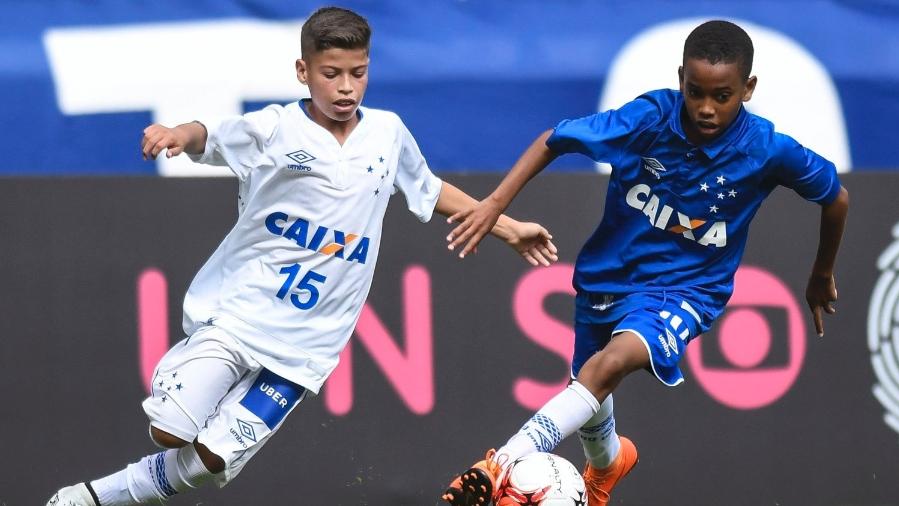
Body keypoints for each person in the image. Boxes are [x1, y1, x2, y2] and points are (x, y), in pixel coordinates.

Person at [46, 7, 558, 506]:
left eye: (357, 73)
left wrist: (509, 228)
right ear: (303, 71)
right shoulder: (275, 130)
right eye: (331, 73)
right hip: (239, 316)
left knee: (209, 462)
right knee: (169, 433)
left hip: (305, 348)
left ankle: (92, 498)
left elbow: (427, 188)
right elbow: (212, 136)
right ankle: (181, 384)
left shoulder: (388, 133)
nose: (345, 87)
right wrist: (179, 134)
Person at [441, 19, 848, 506]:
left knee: (609, 365)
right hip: (607, 277)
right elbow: (556, 138)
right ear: (680, 77)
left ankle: (500, 463)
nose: (705, 107)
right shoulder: (649, 118)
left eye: (723, 96)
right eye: (695, 91)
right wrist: (494, 204)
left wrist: (821, 274)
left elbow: (836, 198)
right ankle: (609, 465)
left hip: (690, 290)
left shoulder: (766, 149)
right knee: (588, 388)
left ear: (749, 88)